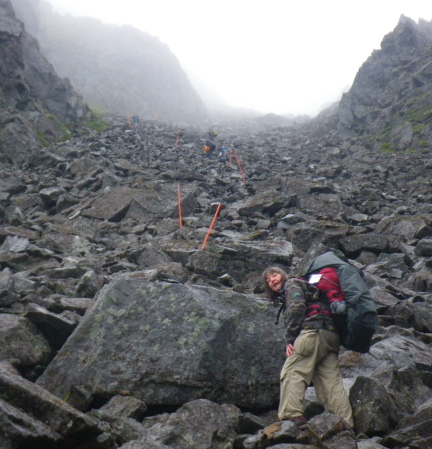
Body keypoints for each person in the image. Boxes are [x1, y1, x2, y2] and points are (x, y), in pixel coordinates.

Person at [263, 266, 354, 429]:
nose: (273, 280)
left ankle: (291, 417)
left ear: (283, 275)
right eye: (269, 281)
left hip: (312, 332)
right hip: (331, 335)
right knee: (330, 382)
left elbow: (296, 307)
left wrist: (290, 338)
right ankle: (345, 424)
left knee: (293, 370)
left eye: (274, 275)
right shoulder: (312, 289)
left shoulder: (292, 284)